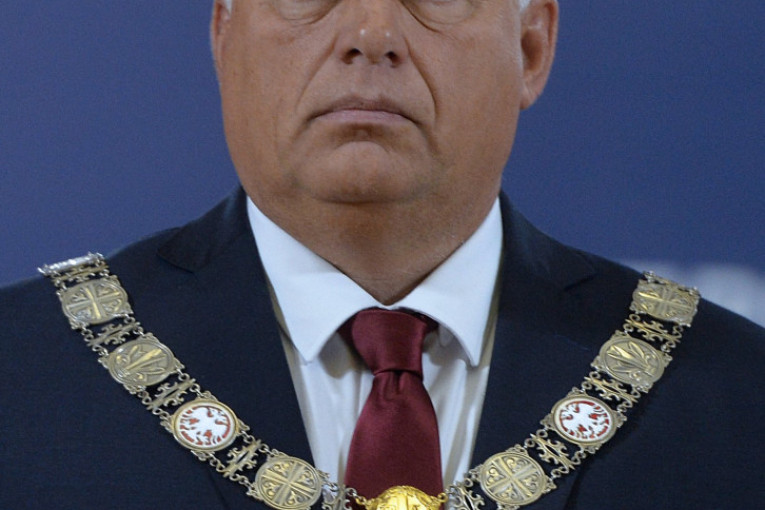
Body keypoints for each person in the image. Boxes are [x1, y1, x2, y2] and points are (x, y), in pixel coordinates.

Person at [1, 0, 763, 508]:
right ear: (223, 35)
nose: (371, 32)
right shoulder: (20, 375)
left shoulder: (736, 398)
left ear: (530, 48)